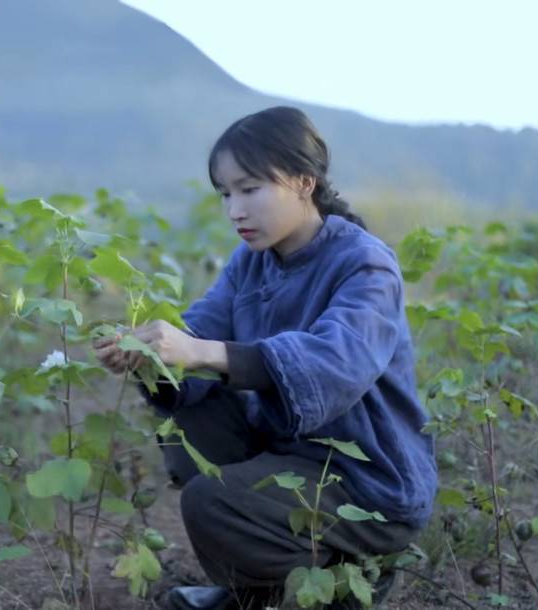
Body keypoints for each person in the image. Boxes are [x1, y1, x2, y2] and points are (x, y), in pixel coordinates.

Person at [92, 106, 437, 610]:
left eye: (250, 189)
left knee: (211, 502)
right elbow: (201, 329)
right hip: (291, 458)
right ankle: (258, 587)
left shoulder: (364, 263)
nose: (235, 210)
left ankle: (344, 580)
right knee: (189, 411)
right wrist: (150, 354)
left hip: (368, 481)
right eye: (226, 194)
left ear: (304, 181)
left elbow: (334, 364)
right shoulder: (250, 263)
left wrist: (202, 351)